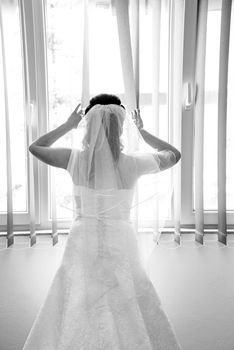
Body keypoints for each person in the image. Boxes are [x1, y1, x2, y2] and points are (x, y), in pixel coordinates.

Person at [23, 93, 182, 349]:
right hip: (121, 240)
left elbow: (35, 148)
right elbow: (174, 154)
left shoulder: (73, 159)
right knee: (126, 303)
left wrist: (67, 125)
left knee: (78, 299)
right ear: (120, 129)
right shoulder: (132, 164)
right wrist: (143, 133)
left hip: (82, 239)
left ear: (88, 125)